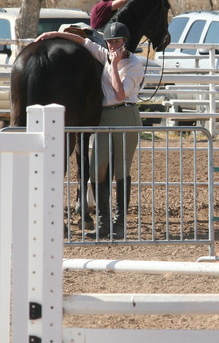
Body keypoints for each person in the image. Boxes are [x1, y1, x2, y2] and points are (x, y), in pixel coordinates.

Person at [35, 21, 144, 239]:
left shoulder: (134, 65)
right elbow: (84, 42)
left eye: (117, 42)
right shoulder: (106, 54)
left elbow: (120, 94)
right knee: (97, 169)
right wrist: (54, 34)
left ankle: (119, 223)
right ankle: (104, 223)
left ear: (126, 42)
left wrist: (112, 66)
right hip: (105, 116)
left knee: (121, 169)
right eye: (110, 42)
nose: (113, 46)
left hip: (125, 115)